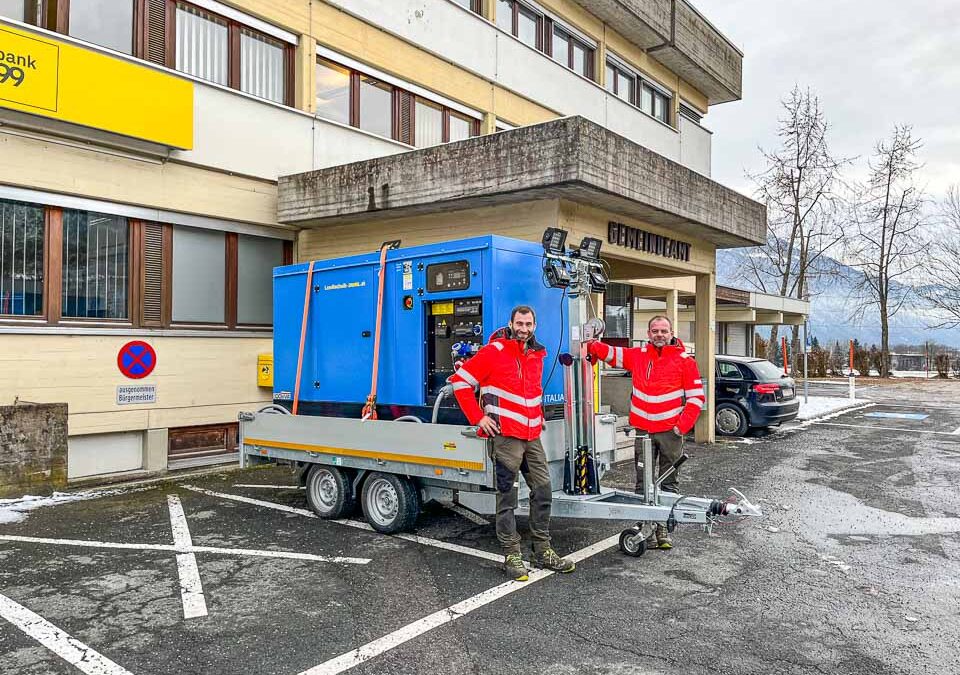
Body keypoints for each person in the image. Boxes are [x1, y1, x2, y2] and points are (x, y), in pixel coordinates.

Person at [449, 305, 575, 581]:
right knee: (507, 498)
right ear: (511, 323)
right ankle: (511, 554)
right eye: (520, 323)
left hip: (531, 436)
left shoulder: (537, 354)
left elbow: (531, 391)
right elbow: (460, 383)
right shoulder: (494, 351)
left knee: (543, 492)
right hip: (506, 437)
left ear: (534, 326)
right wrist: (478, 418)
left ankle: (542, 549)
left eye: (529, 324)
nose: (524, 328)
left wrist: (537, 414)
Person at [587, 315, 705, 550]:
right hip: (643, 431)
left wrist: (682, 426)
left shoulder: (684, 361)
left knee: (668, 482)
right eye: (655, 331)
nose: (659, 334)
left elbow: (696, 398)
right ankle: (645, 528)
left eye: (663, 330)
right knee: (643, 483)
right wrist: (589, 343)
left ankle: (662, 529)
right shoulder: (637, 355)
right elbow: (610, 353)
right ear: (649, 334)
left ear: (671, 333)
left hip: (670, 433)